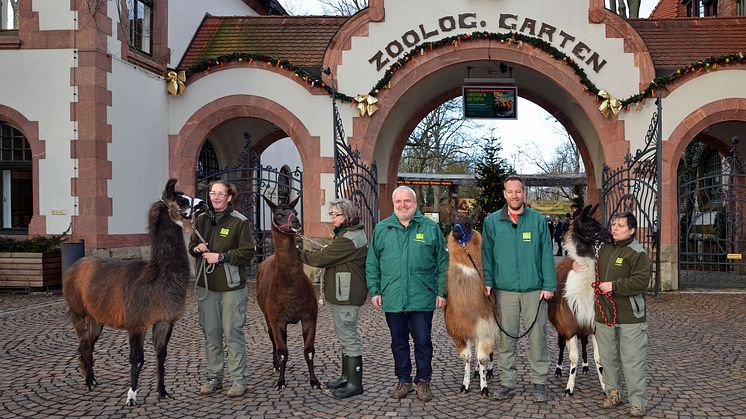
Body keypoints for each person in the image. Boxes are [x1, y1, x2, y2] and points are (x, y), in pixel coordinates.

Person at [366, 185, 448, 402]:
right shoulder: (382, 229)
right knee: (398, 342)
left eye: (407, 201)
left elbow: (442, 263)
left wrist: (441, 291)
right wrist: (374, 290)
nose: (403, 205)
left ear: (415, 203)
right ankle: (404, 381)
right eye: (398, 202)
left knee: (423, 341)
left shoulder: (430, 228)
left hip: (422, 297)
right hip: (392, 297)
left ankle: (423, 381)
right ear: (393, 204)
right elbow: (372, 262)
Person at [481, 175, 556, 403]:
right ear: (504, 194)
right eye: (510, 191)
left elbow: (546, 254)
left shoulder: (537, 221)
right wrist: (488, 282)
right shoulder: (492, 222)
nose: (514, 195)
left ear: (524, 193)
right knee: (507, 339)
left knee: (538, 338)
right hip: (505, 291)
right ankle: (507, 382)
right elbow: (487, 256)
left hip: (535, 290)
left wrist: (549, 285)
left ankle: (539, 382)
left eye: (518, 191)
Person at [190, 180, 256, 398]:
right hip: (207, 287)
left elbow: (248, 252)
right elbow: (192, 247)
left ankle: (239, 380)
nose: (215, 197)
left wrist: (222, 257)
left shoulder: (240, 222)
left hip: (231, 288)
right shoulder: (201, 220)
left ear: (229, 197)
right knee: (211, 334)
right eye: (212, 193)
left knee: (232, 333)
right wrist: (196, 248)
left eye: (220, 194)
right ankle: (213, 377)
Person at [298, 198, 368, 399]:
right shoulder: (347, 234)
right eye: (332, 215)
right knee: (345, 336)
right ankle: (346, 377)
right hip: (343, 293)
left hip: (347, 294)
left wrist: (297, 253)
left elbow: (321, 258)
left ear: (348, 216)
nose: (332, 219)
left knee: (348, 337)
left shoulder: (348, 239)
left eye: (336, 215)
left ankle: (355, 383)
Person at [589, 211, 651, 417]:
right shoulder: (603, 248)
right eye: (613, 224)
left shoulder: (637, 253)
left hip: (630, 317)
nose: (614, 228)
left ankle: (638, 402)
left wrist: (613, 286)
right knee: (608, 358)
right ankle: (614, 393)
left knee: (632, 360)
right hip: (604, 314)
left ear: (632, 230)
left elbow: (641, 282)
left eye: (620, 226)